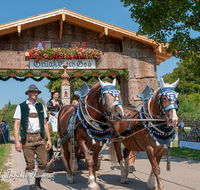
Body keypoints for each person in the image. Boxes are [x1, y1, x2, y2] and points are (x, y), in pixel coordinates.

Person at [14, 84, 51, 190]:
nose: (36, 94)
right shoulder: (20, 107)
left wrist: (48, 139)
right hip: (27, 138)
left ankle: (37, 180)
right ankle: (32, 186)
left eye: (37, 92)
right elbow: (16, 125)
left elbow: (45, 123)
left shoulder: (41, 106)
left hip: (40, 137)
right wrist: (17, 142)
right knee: (30, 164)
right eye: (34, 92)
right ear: (28, 93)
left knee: (44, 163)